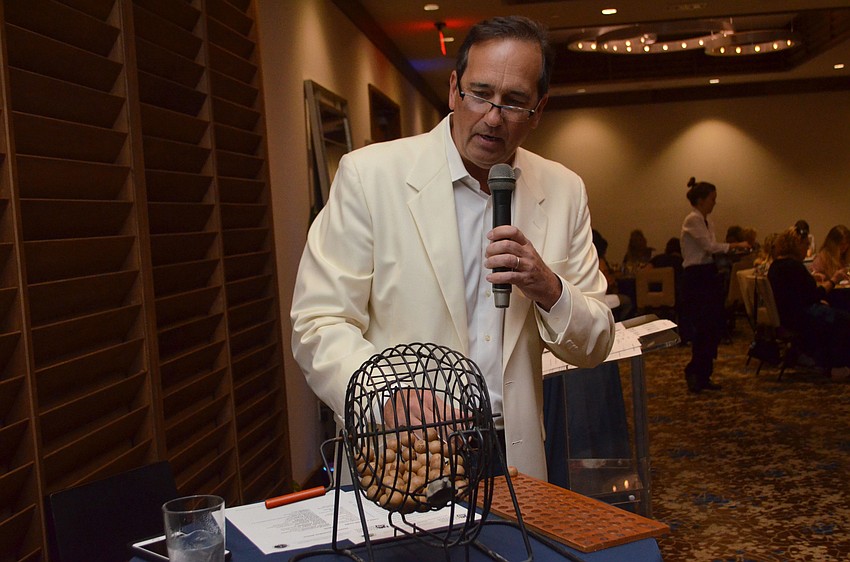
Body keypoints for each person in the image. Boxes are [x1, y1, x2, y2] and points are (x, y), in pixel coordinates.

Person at [290, 16, 615, 480]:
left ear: (538, 109)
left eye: (514, 102)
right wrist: (385, 395)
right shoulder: (369, 177)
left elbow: (596, 342)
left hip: (514, 456)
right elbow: (318, 322)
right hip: (404, 450)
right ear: (453, 89)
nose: (493, 117)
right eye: (480, 93)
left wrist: (548, 287)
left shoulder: (564, 191)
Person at [679, 177, 750, 393]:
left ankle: (704, 373)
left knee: (711, 326)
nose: (714, 203)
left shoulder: (706, 221)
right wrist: (735, 245)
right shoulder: (693, 219)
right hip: (696, 277)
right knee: (704, 326)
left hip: (706, 274)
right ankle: (696, 372)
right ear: (701, 200)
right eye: (712, 199)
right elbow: (709, 246)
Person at [767, 226, 850, 380]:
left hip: (787, 315)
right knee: (844, 319)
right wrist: (834, 280)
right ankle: (837, 365)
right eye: (805, 245)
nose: (807, 249)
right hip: (799, 317)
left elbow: (798, 294)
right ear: (796, 245)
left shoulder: (776, 266)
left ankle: (822, 360)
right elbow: (814, 294)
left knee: (837, 313)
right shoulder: (793, 266)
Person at [592, 229, 633, 321]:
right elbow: (608, 283)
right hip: (600, 297)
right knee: (627, 301)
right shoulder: (599, 262)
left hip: (590, 298)